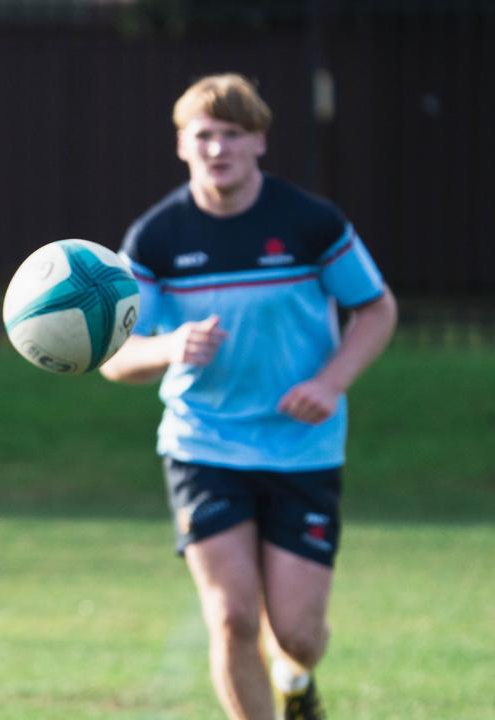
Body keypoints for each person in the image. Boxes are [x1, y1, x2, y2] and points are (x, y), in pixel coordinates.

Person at [99, 74, 397, 720]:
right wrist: (169, 346)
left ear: (259, 141)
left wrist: (330, 382)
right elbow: (116, 357)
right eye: (203, 135)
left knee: (298, 634)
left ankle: (294, 676)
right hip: (204, 443)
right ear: (182, 145)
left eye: (232, 134)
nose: (217, 148)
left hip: (303, 447)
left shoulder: (310, 223)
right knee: (233, 618)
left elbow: (375, 309)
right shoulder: (157, 238)